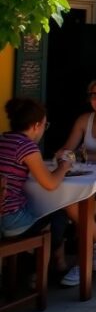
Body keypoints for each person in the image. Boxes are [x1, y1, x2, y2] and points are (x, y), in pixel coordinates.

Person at [1, 98, 81, 286]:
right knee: (59, 213)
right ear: (36, 125)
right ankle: (42, 271)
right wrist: (64, 166)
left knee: (42, 209)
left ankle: (49, 265)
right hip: (10, 221)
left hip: (3, 216)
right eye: (45, 125)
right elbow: (51, 184)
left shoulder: (3, 139)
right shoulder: (26, 146)